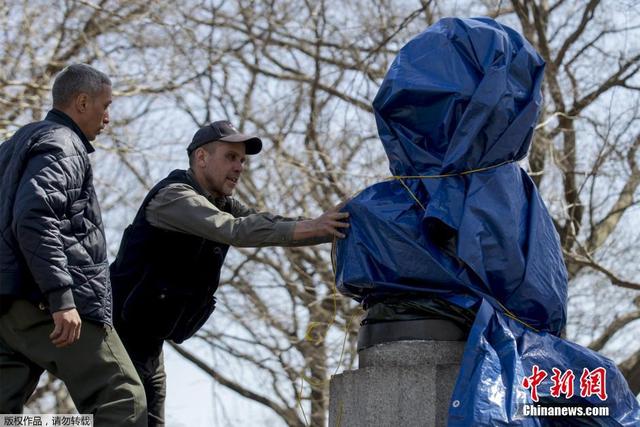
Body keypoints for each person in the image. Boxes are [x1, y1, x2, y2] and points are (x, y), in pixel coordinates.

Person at [110, 120, 350, 426]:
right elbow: (236, 231)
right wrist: (316, 226)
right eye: (231, 157)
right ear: (201, 158)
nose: (239, 167)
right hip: (112, 335)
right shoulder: (173, 198)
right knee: (122, 420)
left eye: (243, 161)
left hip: (147, 342)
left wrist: (334, 225)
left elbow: (269, 224)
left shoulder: (222, 203)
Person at [0, 64, 147, 426]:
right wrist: (61, 297)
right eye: (105, 105)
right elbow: (35, 217)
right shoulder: (63, 144)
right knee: (123, 399)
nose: (108, 118)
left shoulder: (13, 145)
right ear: (82, 102)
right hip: (44, 301)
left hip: (7, 309)